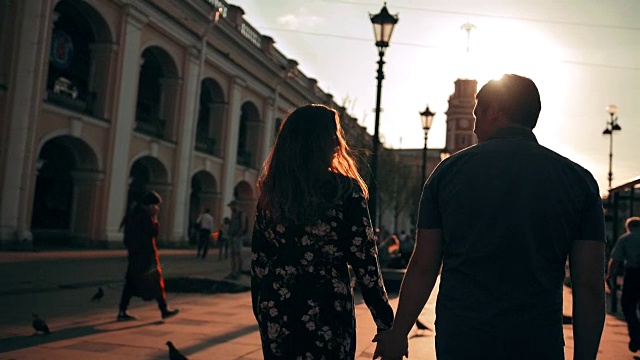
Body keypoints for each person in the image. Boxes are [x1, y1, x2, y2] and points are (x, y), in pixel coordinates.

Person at [373, 74, 605, 360]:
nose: (473, 125)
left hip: (462, 339)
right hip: (536, 341)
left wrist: (399, 332)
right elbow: (590, 286)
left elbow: (424, 265)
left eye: (476, 114)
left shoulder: (448, 173)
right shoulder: (578, 181)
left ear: (494, 111)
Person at [251, 104, 394, 359]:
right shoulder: (345, 190)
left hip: (277, 306)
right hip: (327, 305)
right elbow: (365, 263)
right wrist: (386, 325)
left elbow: (259, 261)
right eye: (335, 136)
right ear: (323, 142)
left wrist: (263, 310)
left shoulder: (272, 191)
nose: (338, 144)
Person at [117, 190, 179, 321]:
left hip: (135, 256)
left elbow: (128, 238)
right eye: (155, 205)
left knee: (130, 283)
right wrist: (155, 219)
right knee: (156, 281)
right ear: (149, 205)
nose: (156, 208)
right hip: (146, 256)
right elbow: (153, 233)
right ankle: (164, 310)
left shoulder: (133, 214)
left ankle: (122, 311)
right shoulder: (145, 217)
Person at [608, 216, 640, 352]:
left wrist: (610, 276)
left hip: (633, 275)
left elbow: (614, 260)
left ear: (629, 227)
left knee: (628, 305)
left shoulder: (625, 239)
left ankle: (635, 332)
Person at [227, 200, 248, 279]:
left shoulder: (241, 214)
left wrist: (238, 235)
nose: (231, 208)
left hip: (237, 237)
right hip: (232, 236)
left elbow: (243, 226)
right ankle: (233, 271)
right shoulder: (233, 213)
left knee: (238, 254)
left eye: (232, 206)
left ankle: (238, 270)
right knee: (232, 254)